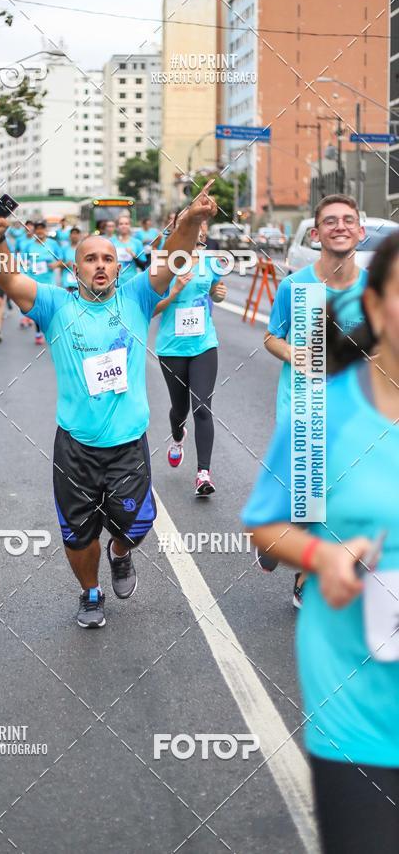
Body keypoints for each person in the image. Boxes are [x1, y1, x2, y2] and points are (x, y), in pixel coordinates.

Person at [0, 182, 218, 628]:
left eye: (108, 258)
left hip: (128, 445)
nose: (101, 265)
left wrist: (188, 222)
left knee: (137, 525)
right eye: (91, 259)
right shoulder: (54, 306)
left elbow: (171, 261)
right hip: (76, 447)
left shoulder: (137, 298)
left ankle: (121, 552)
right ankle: (90, 592)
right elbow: (8, 278)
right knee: (76, 534)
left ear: (118, 265)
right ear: (76, 269)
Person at [243, 234, 399, 854]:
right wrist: (322, 555)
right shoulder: (326, 413)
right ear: (377, 305)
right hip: (359, 711)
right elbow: (270, 522)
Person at [264, 194, 368, 606]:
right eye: (330, 221)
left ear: (360, 231)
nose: (340, 226)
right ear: (316, 233)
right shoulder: (295, 286)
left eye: (348, 220)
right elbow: (272, 337)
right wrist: (294, 354)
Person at [154, 225, 227, 497]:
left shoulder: (210, 262)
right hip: (171, 347)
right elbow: (151, 308)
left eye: (202, 226)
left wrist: (219, 294)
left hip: (203, 344)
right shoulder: (163, 263)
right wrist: (174, 292)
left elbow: (217, 291)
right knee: (179, 408)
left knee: (202, 408)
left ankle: (203, 474)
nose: (199, 229)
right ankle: (177, 436)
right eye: (192, 223)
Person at [23, 221, 61, 345]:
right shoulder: (29, 245)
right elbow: (23, 261)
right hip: (34, 281)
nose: (40, 231)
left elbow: (60, 260)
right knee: (38, 308)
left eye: (42, 229)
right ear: (34, 231)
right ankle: (38, 332)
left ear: (45, 230)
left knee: (50, 307)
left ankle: (50, 330)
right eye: (37, 229)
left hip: (49, 281)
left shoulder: (53, 244)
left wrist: (55, 264)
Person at [113, 214, 145, 284]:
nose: (124, 226)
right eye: (121, 224)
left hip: (131, 281)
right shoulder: (111, 242)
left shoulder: (137, 243)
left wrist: (134, 255)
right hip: (114, 282)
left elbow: (143, 265)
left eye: (126, 224)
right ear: (117, 226)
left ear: (130, 226)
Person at [60, 227, 82, 292]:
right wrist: (65, 264)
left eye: (76, 234)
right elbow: (59, 263)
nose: (74, 236)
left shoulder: (83, 248)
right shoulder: (64, 249)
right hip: (67, 282)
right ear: (70, 236)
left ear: (80, 236)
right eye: (73, 234)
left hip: (80, 282)